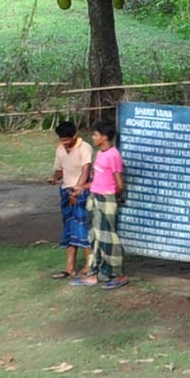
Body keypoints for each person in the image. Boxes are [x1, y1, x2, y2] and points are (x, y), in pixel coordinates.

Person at [80, 117, 126, 288]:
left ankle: (117, 274)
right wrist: (84, 187)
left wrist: (112, 197)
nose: (93, 137)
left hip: (106, 198)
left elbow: (119, 184)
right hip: (95, 196)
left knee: (108, 238)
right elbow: (99, 179)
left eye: (95, 135)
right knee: (94, 236)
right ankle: (96, 273)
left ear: (104, 137)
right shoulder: (100, 154)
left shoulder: (113, 155)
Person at [49, 120, 95, 280]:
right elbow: (60, 171)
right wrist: (54, 178)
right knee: (68, 228)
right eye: (62, 140)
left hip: (81, 192)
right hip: (66, 192)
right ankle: (69, 268)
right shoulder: (60, 149)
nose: (65, 144)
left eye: (68, 140)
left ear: (75, 135)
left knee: (83, 227)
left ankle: (90, 265)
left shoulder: (85, 148)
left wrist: (77, 190)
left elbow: (86, 170)